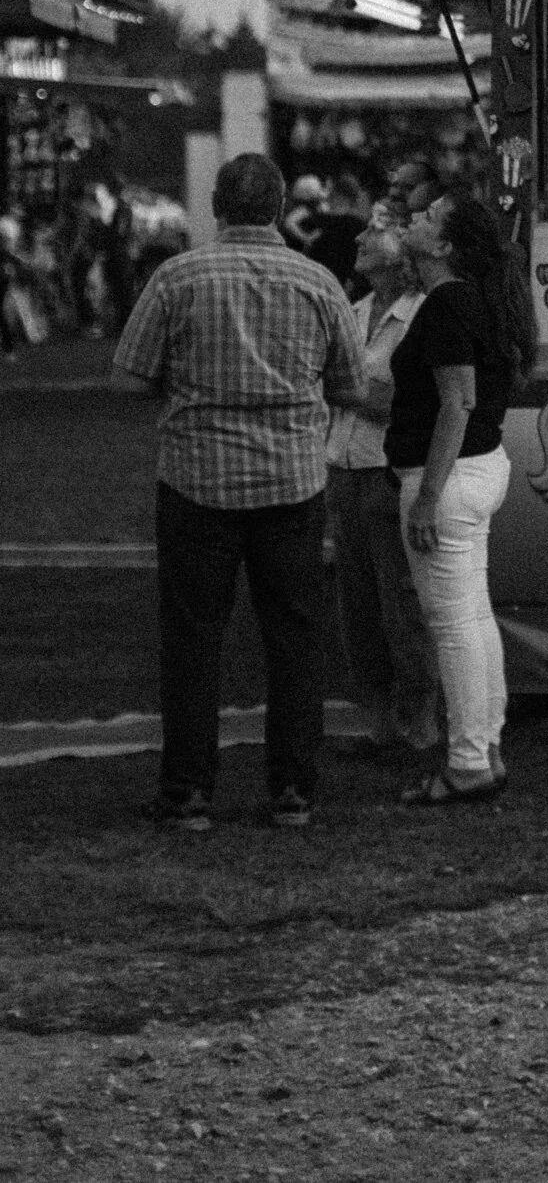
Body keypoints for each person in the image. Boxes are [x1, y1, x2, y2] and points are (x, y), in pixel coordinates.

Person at [111, 152, 365, 830]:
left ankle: (189, 792)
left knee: (193, 641)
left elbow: (129, 378)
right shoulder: (317, 280)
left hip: (198, 483)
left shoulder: (178, 277)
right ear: (280, 208)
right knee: (295, 639)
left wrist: (189, 388)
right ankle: (293, 791)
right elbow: (351, 385)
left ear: (218, 208)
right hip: (291, 483)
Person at [386, 190, 536, 804]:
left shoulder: (448, 304)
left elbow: (458, 402)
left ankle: (470, 759)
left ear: (445, 245)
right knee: (470, 619)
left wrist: (427, 497)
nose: (414, 220)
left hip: (446, 478)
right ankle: (483, 747)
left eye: (427, 218)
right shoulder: (472, 300)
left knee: (452, 624)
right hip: (476, 471)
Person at [325, 203, 440, 754]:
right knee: (358, 606)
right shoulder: (355, 310)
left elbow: (409, 401)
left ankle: (418, 717)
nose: (364, 236)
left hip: (387, 472)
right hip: (344, 468)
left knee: (401, 603)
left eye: (379, 229)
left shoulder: (422, 316)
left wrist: (342, 390)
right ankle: (382, 715)